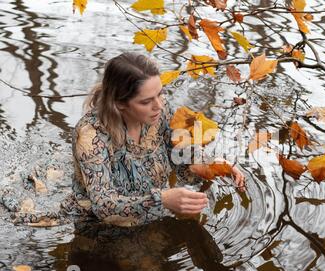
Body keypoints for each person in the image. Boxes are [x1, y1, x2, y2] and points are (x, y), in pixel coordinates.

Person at [60, 52, 245, 226]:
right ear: (120, 103)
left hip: (152, 216)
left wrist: (214, 165)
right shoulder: (91, 135)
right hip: (99, 226)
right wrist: (162, 199)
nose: (159, 105)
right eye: (146, 101)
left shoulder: (159, 113)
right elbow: (104, 206)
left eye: (160, 94)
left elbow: (179, 154)